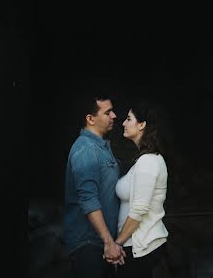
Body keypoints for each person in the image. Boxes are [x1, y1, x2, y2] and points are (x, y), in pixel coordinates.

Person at [63, 93, 125, 276]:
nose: (114, 116)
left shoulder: (101, 147)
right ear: (90, 119)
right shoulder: (86, 151)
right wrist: (108, 242)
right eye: (108, 112)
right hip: (88, 245)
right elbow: (88, 200)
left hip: (100, 244)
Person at [114, 101, 169, 277]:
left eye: (129, 119)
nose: (123, 123)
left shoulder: (148, 161)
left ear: (142, 125)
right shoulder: (143, 160)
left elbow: (139, 209)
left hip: (142, 247)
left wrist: (117, 244)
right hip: (136, 246)